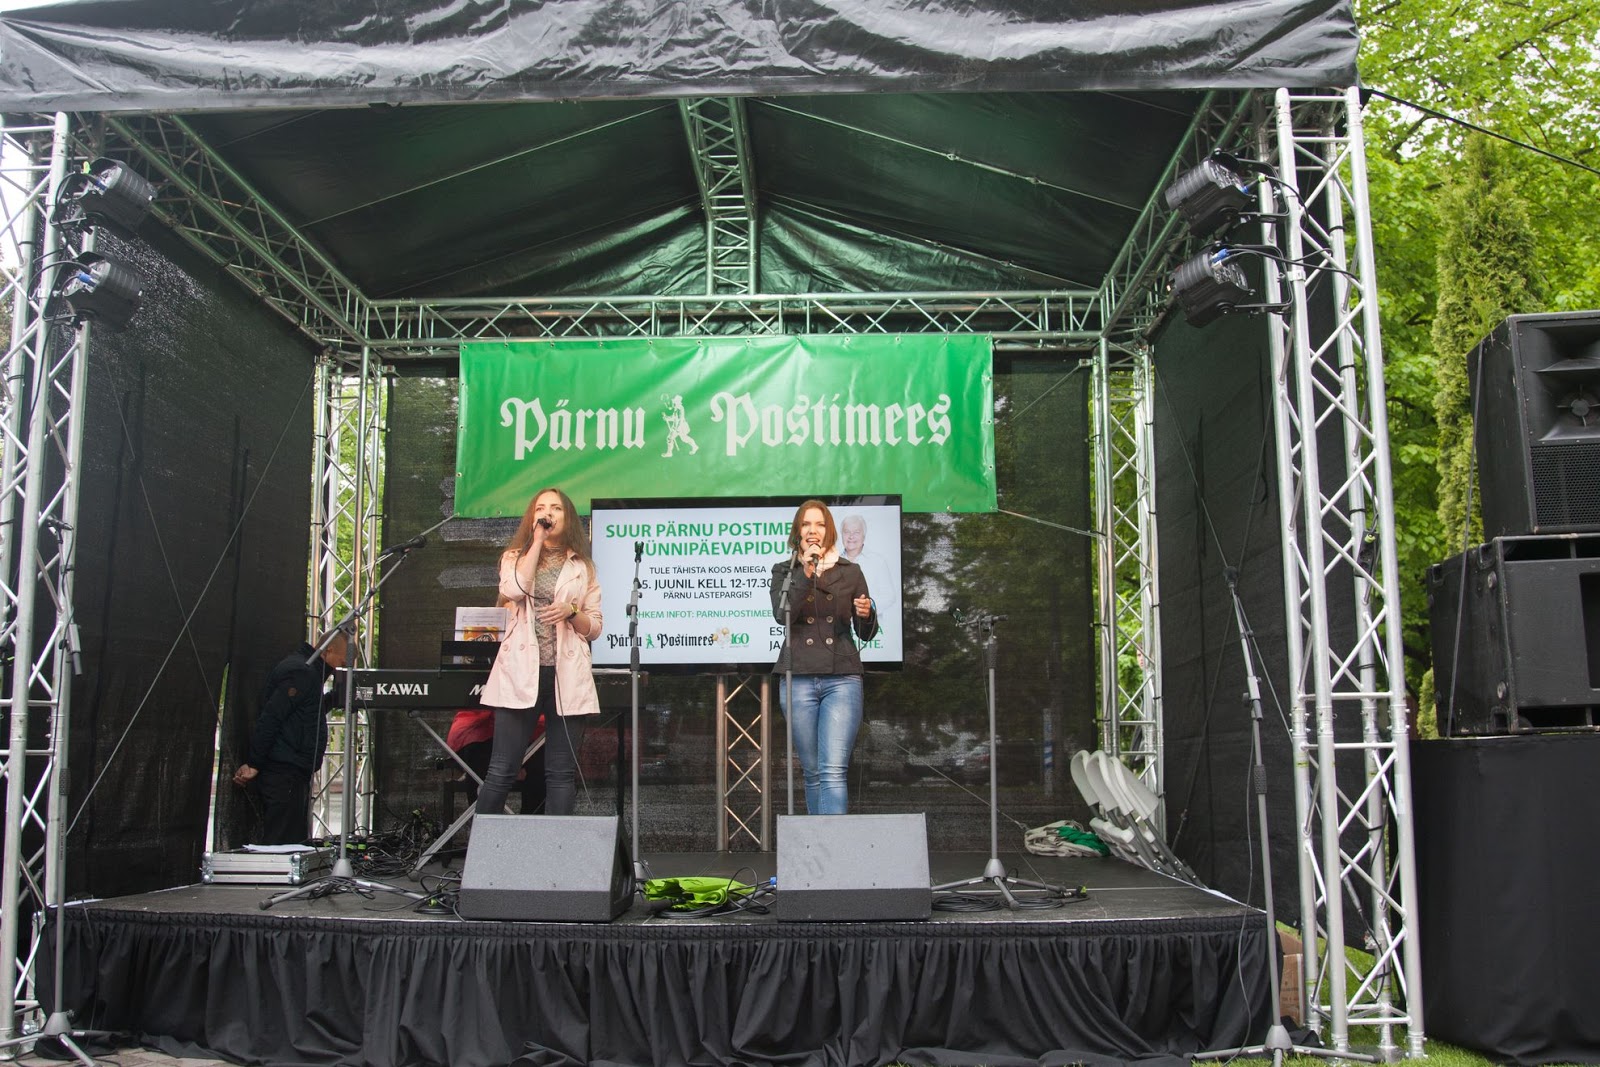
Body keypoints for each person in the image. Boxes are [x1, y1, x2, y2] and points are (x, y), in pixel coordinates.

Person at [477, 486, 603, 817]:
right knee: (502, 770)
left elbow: (595, 627)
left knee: (560, 774)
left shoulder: (583, 567)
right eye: (541, 508)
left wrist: (571, 612)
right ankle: (484, 848)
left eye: (556, 508)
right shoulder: (513, 558)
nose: (548, 513)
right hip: (521, 673)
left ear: (568, 517)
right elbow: (514, 589)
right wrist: (536, 541)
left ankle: (555, 849)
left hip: (565, 675)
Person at [768, 499, 879, 815]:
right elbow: (782, 615)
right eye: (806, 524)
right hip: (798, 678)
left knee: (832, 771)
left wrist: (867, 614)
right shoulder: (785, 571)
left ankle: (835, 846)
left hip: (841, 676)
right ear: (797, 532)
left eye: (819, 524)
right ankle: (818, 844)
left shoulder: (850, 571)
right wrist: (805, 572)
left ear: (829, 531)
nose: (812, 530)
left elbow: (865, 633)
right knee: (813, 772)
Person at [232, 632, 349, 845]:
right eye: (342, 662)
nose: (341, 668)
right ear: (329, 650)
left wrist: (335, 698)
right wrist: (254, 763)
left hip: (293, 770)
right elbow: (272, 716)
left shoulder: (308, 673)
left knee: (291, 839)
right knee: (281, 841)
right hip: (284, 770)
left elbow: (305, 712)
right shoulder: (301, 672)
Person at [445, 707, 546, 813]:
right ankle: (481, 819)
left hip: (532, 730)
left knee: (543, 763)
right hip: (482, 728)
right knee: (478, 757)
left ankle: (533, 820)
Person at [837, 513, 896, 630]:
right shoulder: (833, 562)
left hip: (870, 630)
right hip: (839, 630)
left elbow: (889, 596)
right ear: (841, 535)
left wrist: (867, 607)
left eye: (856, 532)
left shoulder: (878, 562)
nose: (851, 536)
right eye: (847, 532)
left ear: (864, 535)